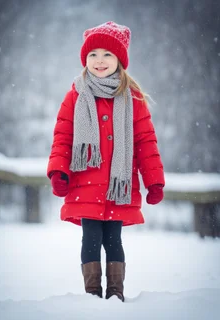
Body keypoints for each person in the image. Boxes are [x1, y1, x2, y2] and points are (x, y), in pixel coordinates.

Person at [47, 21, 165, 302]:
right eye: (93, 55)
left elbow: (146, 144)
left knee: (114, 241)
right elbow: (62, 136)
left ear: (120, 60)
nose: (99, 61)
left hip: (118, 187)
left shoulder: (133, 99)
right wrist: (58, 171)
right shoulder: (75, 96)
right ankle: (91, 295)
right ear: (85, 59)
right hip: (85, 184)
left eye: (107, 55)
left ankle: (115, 293)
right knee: (90, 239)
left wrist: (154, 181)